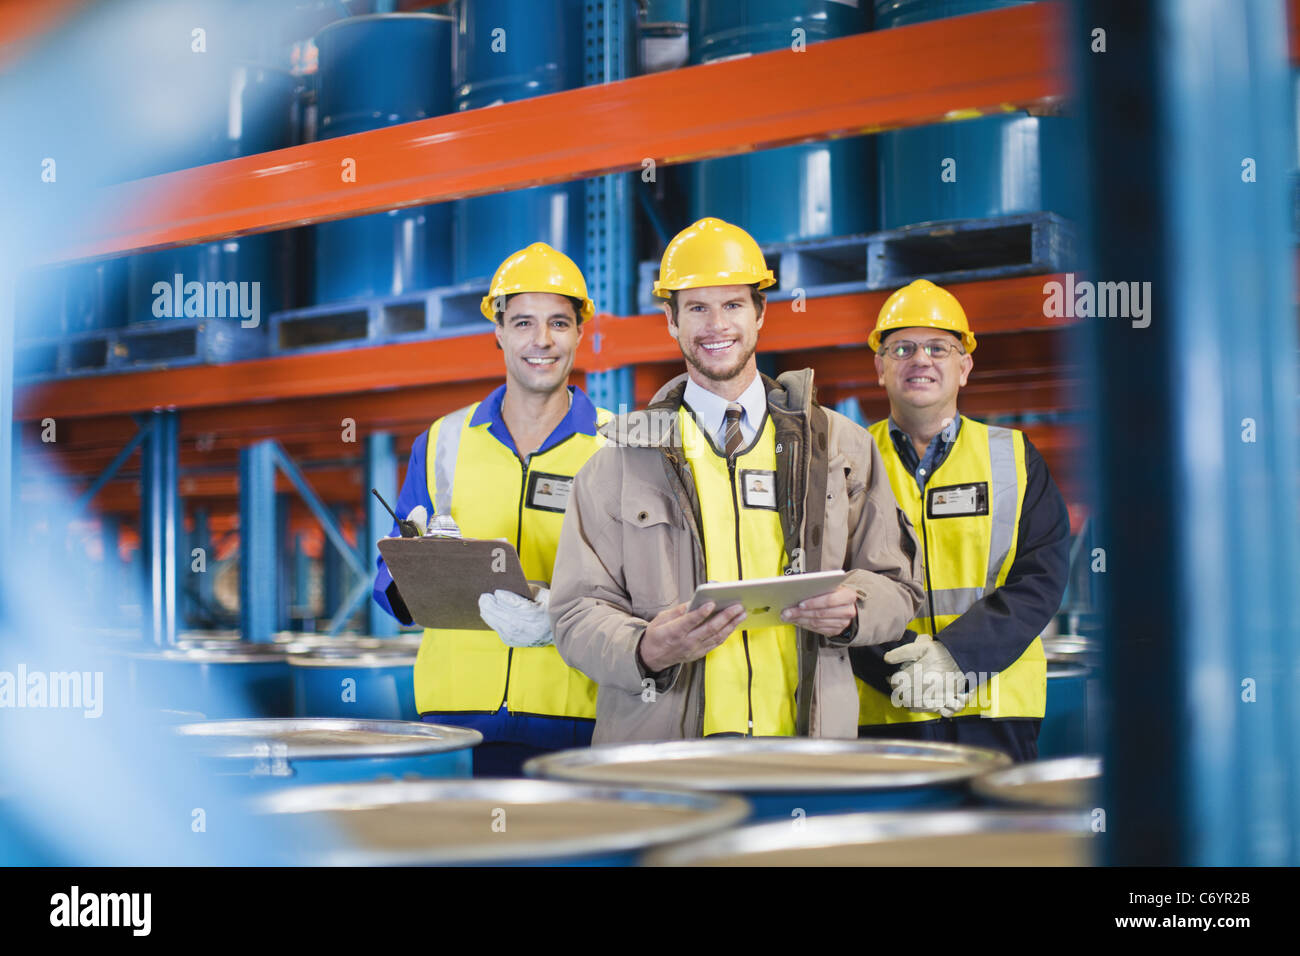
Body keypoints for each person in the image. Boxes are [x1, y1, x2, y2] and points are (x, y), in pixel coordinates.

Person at [549, 218, 924, 742]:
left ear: (761, 313)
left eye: (732, 305)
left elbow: (900, 584)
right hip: (669, 760)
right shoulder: (616, 462)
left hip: (805, 750)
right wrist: (644, 647)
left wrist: (854, 608)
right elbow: (574, 612)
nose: (715, 325)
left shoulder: (840, 447)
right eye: (697, 307)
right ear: (671, 320)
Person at [372, 243, 611, 776]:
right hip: (454, 725)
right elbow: (388, 588)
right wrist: (421, 568)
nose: (542, 340)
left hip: (576, 720)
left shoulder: (615, 447)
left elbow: (646, 591)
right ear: (498, 330)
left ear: (579, 333)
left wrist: (562, 618)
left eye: (559, 323)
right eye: (523, 322)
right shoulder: (441, 441)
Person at [851, 279, 1071, 762]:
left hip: (996, 710)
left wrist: (955, 658)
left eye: (939, 347)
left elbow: (1041, 578)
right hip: (887, 709)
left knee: (997, 838)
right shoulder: (847, 460)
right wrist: (901, 670)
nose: (920, 359)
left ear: (964, 367)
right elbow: (829, 586)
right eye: (901, 348)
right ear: (880, 368)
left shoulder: (1013, 457)